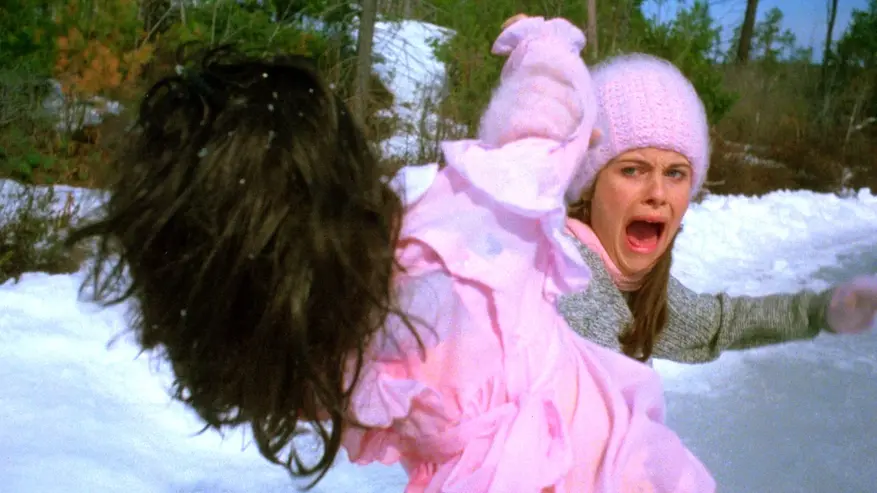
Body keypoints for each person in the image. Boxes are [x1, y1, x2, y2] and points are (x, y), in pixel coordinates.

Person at [67, 18, 715, 492]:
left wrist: (543, 50)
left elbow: (538, 131)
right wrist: (543, 50)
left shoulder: (441, 245)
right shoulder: (455, 231)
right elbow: (538, 128)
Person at [553, 53, 877, 364]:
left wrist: (820, 310)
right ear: (588, 184)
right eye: (633, 170)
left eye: (675, 173)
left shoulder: (633, 286)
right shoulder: (555, 287)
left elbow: (716, 324)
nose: (658, 193)